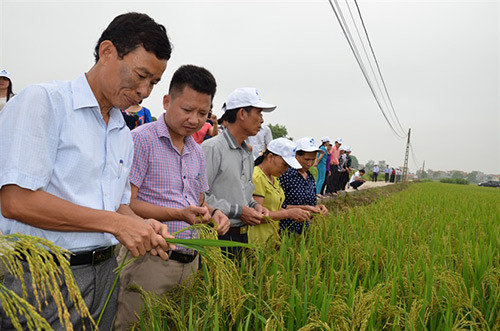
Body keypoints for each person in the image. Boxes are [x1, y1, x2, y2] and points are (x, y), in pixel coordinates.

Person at [0, 13, 174, 330]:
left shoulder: (123, 131)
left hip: (104, 274)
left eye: (153, 82)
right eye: (140, 75)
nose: (144, 91)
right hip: (43, 276)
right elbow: (17, 201)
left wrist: (143, 225)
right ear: (107, 52)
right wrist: (117, 224)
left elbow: (116, 205)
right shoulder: (44, 102)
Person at [114, 65, 230, 330]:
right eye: (187, 110)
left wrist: (213, 214)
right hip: (150, 259)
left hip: (190, 261)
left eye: (203, 113)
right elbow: (125, 203)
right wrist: (178, 214)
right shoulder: (141, 140)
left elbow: (197, 202)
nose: (194, 120)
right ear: (167, 102)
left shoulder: (197, 151)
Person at [202, 87, 274, 259]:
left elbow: (243, 194)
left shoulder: (247, 154)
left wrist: (255, 207)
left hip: (242, 235)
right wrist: (238, 211)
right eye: (259, 113)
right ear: (242, 114)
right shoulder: (212, 148)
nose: (262, 120)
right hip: (218, 235)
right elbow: (199, 197)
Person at [249, 138, 310, 245]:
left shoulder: (274, 179)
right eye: (284, 164)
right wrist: (287, 214)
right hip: (256, 241)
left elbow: (274, 208)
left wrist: (298, 211)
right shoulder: (257, 177)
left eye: (288, 166)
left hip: (271, 239)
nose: (285, 169)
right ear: (270, 157)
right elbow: (256, 215)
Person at [280, 137, 328, 234]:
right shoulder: (285, 174)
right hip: (285, 230)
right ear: (296, 155)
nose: (310, 163)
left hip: (304, 230)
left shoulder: (310, 177)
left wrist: (318, 208)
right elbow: (276, 205)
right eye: (306, 159)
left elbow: (311, 204)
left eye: (313, 159)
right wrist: (305, 208)